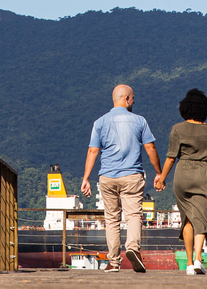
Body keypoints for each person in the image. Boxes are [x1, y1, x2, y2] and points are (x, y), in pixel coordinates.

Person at [81, 84, 162, 273]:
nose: (134, 101)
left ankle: (113, 263)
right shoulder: (140, 121)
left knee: (112, 219)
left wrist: (86, 178)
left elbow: (93, 151)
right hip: (132, 175)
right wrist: (159, 172)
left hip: (107, 177)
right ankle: (133, 249)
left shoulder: (100, 122)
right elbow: (150, 148)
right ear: (126, 98)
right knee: (133, 215)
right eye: (133, 98)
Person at [154, 88, 207, 276]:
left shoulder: (177, 129)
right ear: (205, 109)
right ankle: (198, 260)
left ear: (184, 109)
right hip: (204, 174)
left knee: (188, 217)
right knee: (201, 217)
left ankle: (188, 263)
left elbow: (171, 157)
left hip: (182, 174)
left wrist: (162, 179)